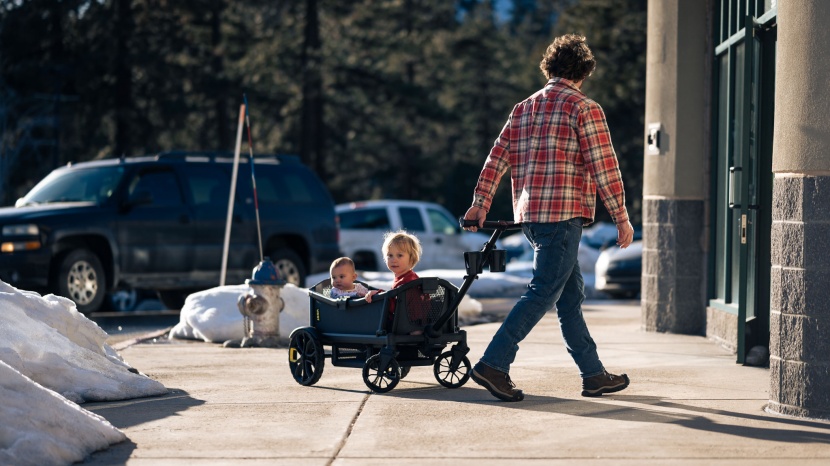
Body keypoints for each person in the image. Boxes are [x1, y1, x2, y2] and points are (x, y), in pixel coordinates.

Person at [463, 34, 635, 402]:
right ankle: (494, 363)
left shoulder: (522, 108)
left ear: (550, 67)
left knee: (569, 298)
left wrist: (481, 202)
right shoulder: (584, 107)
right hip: (563, 216)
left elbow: (497, 157)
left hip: (532, 218)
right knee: (543, 292)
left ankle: (593, 375)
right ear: (583, 71)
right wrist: (621, 217)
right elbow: (604, 168)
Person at [365, 231, 427, 333]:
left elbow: (394, 305)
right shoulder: (409, 277)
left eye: (399, 255)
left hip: (407, 324)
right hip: (409, 322)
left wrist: (377, 294)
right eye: (390, 255)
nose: (394, 260)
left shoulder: (407, 281)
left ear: (411, 258)